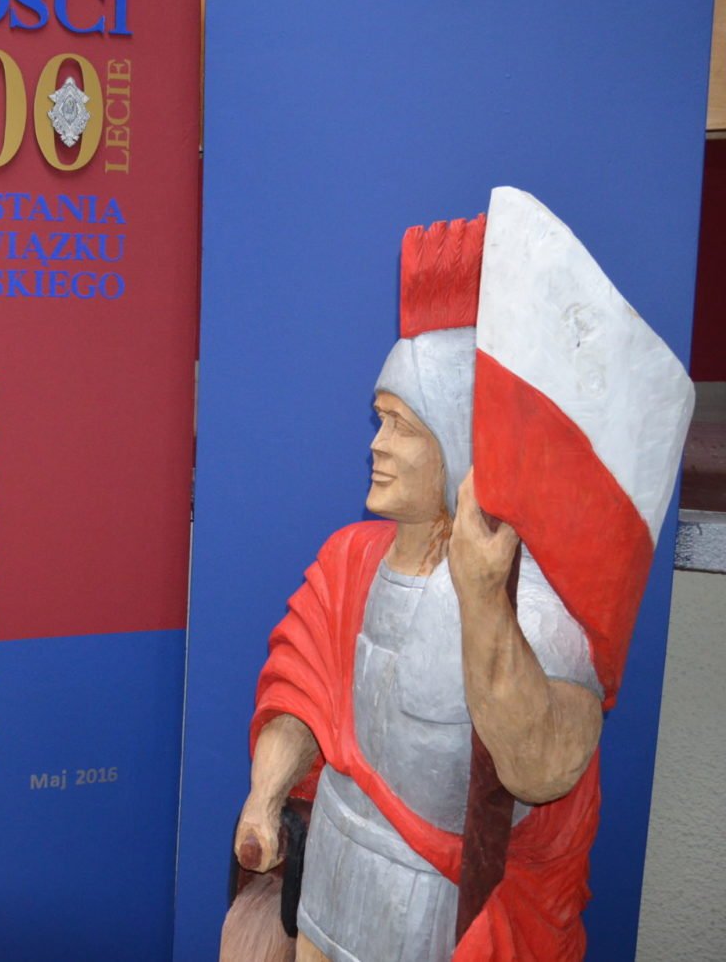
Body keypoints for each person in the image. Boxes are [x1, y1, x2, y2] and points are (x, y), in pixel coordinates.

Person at [234, 217, 604, 961]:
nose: (376, 444)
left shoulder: (530, 606)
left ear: (456, 439)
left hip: (435, 920)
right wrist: (265, 796)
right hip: (330, 884)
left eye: (401, 426)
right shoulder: (349, 560)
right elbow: (302, 696)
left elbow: (546, 765)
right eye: (380, 420)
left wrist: (483, 602)